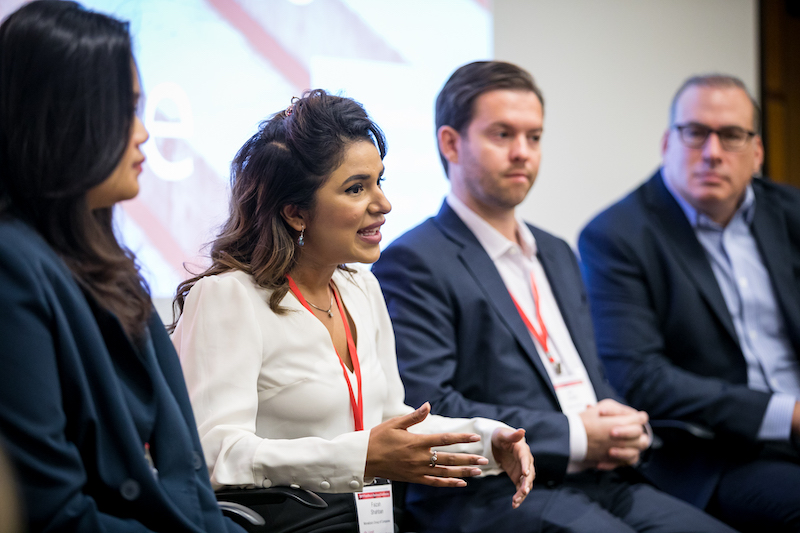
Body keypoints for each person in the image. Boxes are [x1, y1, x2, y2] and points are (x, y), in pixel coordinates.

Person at [372, 61, 736, 533]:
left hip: (604, 480)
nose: (522, 152)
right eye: (502, 135)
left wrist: (623, 423)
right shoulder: (415, 260)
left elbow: (586, 378)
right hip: (499, 490)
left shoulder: (558, 251)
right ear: (450, 143)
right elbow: (428, 408)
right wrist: (578, 435)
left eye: (534, 137)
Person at [170, 89, 534, 533]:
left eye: (380, 181)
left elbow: (386, 422)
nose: (383, 204)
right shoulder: (228, 298)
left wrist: (488, 439)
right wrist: (358, 456)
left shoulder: (361, 288)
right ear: (296, 212)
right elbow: (211, 453)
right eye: (356, 188)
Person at [0, 2, 245, 531]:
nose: (144, 134)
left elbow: (191, 483)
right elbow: (55, 514)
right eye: (126, 109)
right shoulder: (12, 267)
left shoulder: (113, 268)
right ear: (66, 117)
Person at [579, 74, 800, 532]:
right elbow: (641, 376)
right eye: (695, 133)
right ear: (667, 142)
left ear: (756, 151)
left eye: (732, 135)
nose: (713, 152)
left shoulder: (791, 214)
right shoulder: (617, 236)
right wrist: (788, 415)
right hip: (715, 455)